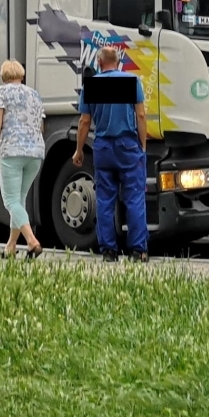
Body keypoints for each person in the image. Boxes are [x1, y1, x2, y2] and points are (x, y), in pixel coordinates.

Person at [73, 45, 148, 262]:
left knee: (105, 200)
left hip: (103, 147)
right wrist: (142, 146)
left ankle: (108, 251)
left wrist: (79, 150)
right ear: (119, 62)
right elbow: (141, 115)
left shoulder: (92, 85)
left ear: (99, 63)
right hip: (128, 147)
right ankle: (137, 251)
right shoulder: (131, 82)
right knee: (134, 198)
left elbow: (84, 121)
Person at [0, 59, 46, 259]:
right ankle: (11, 246)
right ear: (21, 74)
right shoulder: (35, 95)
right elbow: (41, 127)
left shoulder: (1, 93)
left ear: (4, 76)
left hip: (12, 151)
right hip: (36, 153)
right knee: (19, 201)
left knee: (11, 201)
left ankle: (31, 241)